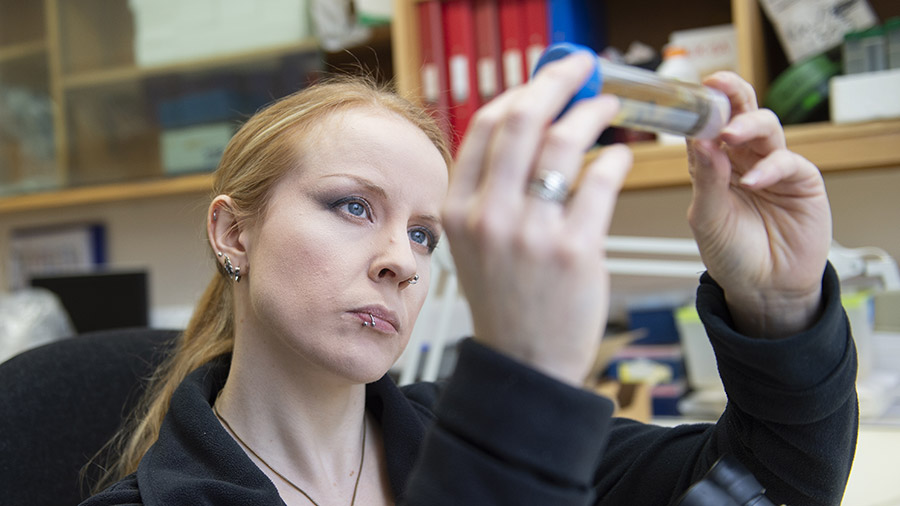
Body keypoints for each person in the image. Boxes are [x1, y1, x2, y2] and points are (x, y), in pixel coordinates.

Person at [82, 52, 857, 506]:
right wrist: (521, 384)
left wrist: (779, 307)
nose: (402, 260)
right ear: (232, 232)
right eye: (353, 205)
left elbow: (767, 484)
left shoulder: (458, 428)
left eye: (425, 233)